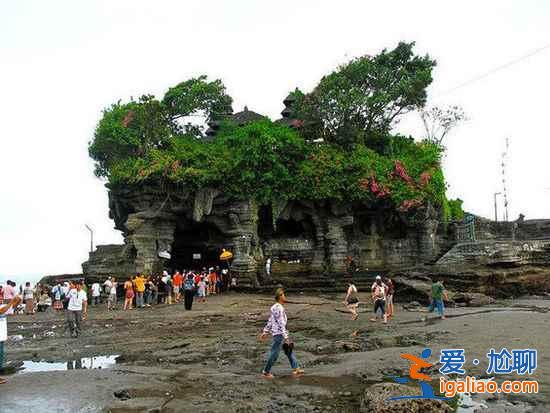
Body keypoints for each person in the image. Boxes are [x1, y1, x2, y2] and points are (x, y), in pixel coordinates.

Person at [259, 288, 304, 378]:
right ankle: (266, 372)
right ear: (279, 297)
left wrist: (265, 331)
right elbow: (281, 323)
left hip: (278, 333)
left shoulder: (275, 307)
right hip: (279, 334)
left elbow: (271, 321)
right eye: (283, 294)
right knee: (274, 353)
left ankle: (296, 368)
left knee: (288, 350)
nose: (284, 296)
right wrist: (286, 336)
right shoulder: (279, 308)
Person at [0, 294, 22, 384]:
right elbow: (1, 311)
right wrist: (11, 302)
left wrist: (17, 300)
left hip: (1, 337)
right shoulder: (2, 307)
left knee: (1, 356)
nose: (1, 298)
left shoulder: (2, 305)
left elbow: (11, 308)